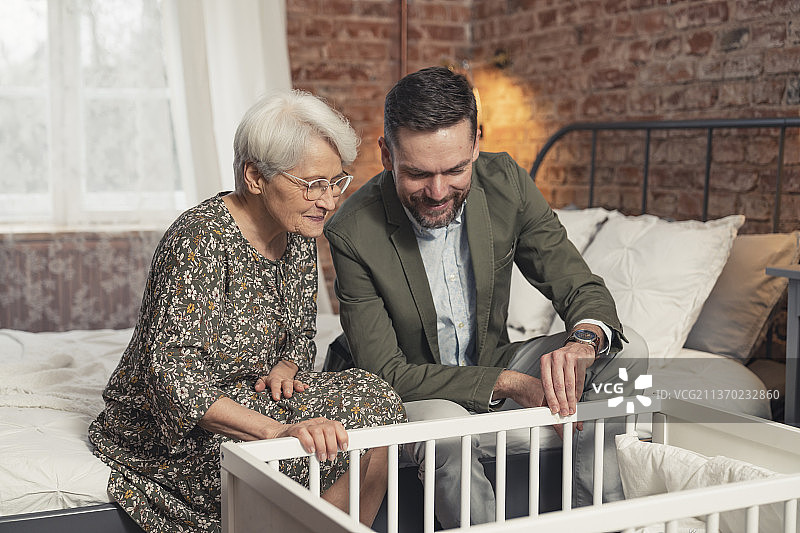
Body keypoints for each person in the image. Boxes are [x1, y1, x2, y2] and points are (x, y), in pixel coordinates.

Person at [323, 66, 648, 527]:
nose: (438, 192)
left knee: (628, 349)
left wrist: (584, 341)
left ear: (477, 141)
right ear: (386, 155)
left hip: (490, 357)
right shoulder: (352, 231)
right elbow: (386, 372)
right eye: (417, 173)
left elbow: (577, 284)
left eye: (456, 169)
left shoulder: (506, 182)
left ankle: (596, 519)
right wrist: (509, 383)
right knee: (448, 432)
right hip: (412, 387)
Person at [89, 90, 406, 533]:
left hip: (249, 394)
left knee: (380, 399)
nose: (330, 201)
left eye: (337, 182)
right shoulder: (199, 242)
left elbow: (300, 329)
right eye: (314, 184)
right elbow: (175, 383)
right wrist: (277, 433)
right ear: (255, 176)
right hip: (174, 426)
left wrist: (287, 363)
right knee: (304, 448)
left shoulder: (297, 232)